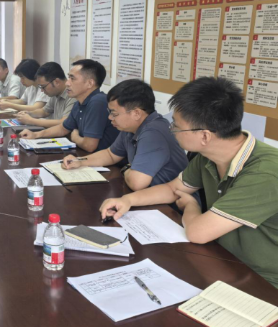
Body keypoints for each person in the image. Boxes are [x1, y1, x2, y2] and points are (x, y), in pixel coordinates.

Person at [99, 77, 278, 289]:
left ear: (204, 136)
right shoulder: (208, 156)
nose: (171, 129)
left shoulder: (265, 172)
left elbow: (198, 233)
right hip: (223, 260)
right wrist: (127, 200)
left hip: (263, 281)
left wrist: (191, 205)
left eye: (176, 126)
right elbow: (173, 188)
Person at [62, 79, 188, 191]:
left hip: (172, 204)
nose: (110, 117)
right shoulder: (130, 128)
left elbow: (136, 183)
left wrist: (125, 168)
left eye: (114, 113)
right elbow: (110, 154)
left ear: (136, 113)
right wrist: (80, 161)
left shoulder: (153, 133)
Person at [20, 59, 119, 152]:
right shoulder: (78, 103)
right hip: (86, 155)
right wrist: (36, 134)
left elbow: (89, 146)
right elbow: (62, 128)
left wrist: (75, 137)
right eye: (68, 78)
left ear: (90, 83)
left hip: (104, 161)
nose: (67, 83)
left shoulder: (97, 102)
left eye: (72, 78)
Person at [14, 62, 76, 129]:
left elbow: (64, 123)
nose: (42, 90)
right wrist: (28, 113)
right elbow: (45, 111)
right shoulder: (55, 93)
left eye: (43, 87)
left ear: (57, 82)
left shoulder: (73, 95)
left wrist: (31, 121)